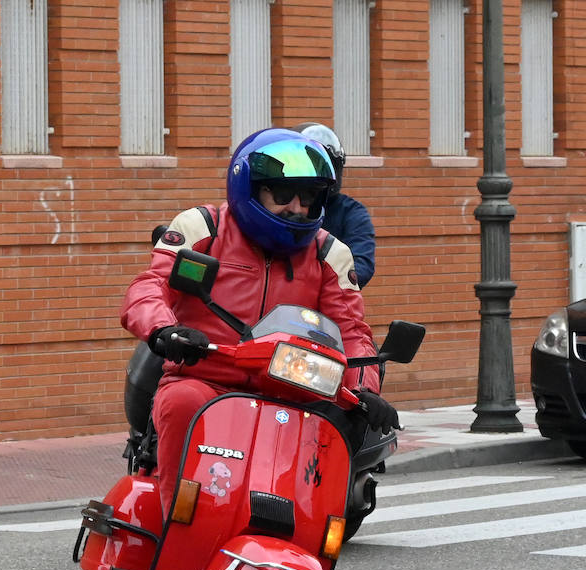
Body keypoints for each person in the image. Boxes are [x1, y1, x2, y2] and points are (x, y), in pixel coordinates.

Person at [121, 127, 399, 516]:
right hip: (206, 377)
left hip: (291, 388)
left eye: (308, 197)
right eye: (283, 195)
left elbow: (351, 331)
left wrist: (365, 388)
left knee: (331, 440)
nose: (297, 207)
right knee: (182, 403)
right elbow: (152, 285)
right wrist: (164, 329)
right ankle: (176, 525)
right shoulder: (205, 228)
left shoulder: (329, 253)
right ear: (250, 188)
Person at [294, 122, 376, 287]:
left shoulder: (352, 212)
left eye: (327, 168)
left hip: (327, 301)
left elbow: (361, 265)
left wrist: (323, 285)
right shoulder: (282, 204)